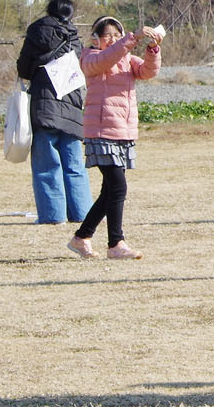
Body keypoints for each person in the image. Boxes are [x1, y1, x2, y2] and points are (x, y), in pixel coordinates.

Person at [67, 16, 161, 260]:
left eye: (116, 35)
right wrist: (132, 38)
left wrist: (152, 48)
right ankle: (116, 243)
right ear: (96, 38)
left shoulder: (128, 59)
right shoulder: (90, 57)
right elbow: (104, 60)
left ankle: (81, 237)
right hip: (100, 131)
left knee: (109, 190)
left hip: (123, 131)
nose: (113, 39)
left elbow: (149, 71)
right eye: (108, 35)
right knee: (118, 187)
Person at [16, 0, 91, 225]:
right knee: (74, 163)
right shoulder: (75, 38)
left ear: (49, 9)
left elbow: (24, 68)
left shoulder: (37, 31)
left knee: (47, 163)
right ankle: (82, 213)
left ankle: (52, 215)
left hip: (44, 102)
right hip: (72, 103)